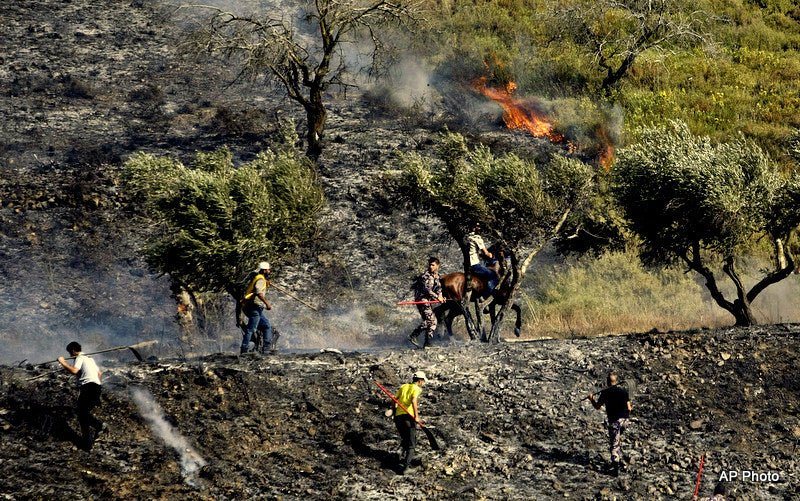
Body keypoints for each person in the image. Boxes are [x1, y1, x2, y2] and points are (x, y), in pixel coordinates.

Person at [57, 341, 105, 451]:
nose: (70, 356)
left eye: (70, 353)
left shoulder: (79, 357)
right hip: (97, 387)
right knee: (83, 413)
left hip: (88, 387)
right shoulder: (90, 359)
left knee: (82, 415)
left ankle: (89, 439)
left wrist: (62, 362)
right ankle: (93, 434)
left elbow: (74, 370)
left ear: (73, 351)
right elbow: (99, 373)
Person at [588, 372, 633, 476]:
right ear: (616, 381)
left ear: (607, 381)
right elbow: (629, 408)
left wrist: (591, 399)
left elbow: (597, 406)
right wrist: (631, 406)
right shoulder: (623, 391)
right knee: (617, 439)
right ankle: (621, 460)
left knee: (613, 445)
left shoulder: (605, 392)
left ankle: (615, 469)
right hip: (625, 421)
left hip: (615, 421)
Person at [394, 371, 427, 474]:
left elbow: (394, 400)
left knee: (405, 438)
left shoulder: (403, 386)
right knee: (412, 444)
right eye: (424, 381)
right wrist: (416, 417)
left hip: (398, 418)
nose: (424, 383)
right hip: (408, 418)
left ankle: (399, 453)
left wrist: (394, 412)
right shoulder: (416, 388)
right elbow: (413, 401)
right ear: (420, 381)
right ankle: (406, 468)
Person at [408, 257, 444, 348]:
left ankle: (427, 343)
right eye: (430, 264)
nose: (431, 266)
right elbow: (427, 290)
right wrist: (437, 297)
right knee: (431, 320)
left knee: (432, 322)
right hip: (421, 299)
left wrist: (440, 296)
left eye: (433, 265)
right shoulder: (426, 276)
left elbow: (439, 288)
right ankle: (413, 335)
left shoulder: (437, 276)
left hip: (427, 300)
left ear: (437, 266)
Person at [240, 261, 274, 354]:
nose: (269, 271)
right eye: (268, 269)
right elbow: (259, 293)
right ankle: (245, 350)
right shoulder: (261, 280)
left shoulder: (258, 278)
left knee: (266, 325)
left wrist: (266, 283)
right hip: (254, 306)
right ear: (264, 270)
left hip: (250, 306)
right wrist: (267, 303)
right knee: (251, 329)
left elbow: (256, 288)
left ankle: (266, 349)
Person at [466, 224, 498, 294]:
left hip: (467, 265)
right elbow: (486, 253)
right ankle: (488, 293)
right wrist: (491, 255)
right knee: (493, 275)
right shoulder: (477, 238)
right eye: (478, 226)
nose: (479, 228)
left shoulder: (467, 237)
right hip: (475, 265)